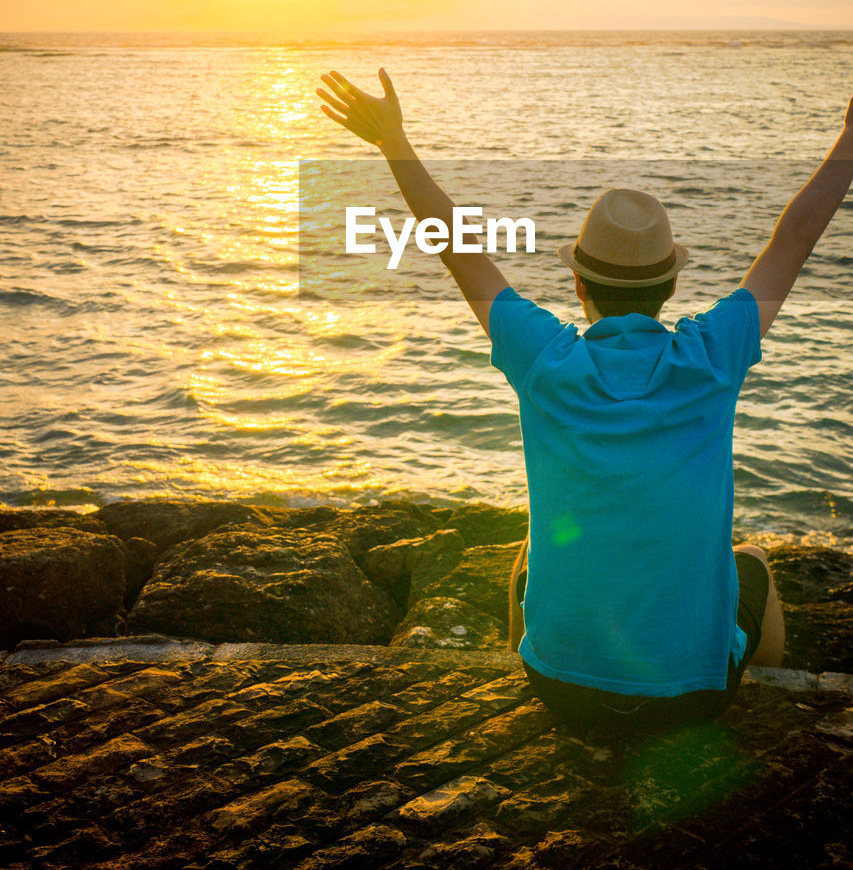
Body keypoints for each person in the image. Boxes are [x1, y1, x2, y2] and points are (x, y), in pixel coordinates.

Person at [318, 67, 853, 735]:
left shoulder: (542, 356)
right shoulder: (715, 353)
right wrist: (849, 136)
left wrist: (393, 141)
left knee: (529, 550)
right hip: (693, 700)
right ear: (669, 284)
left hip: (559, 692)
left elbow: (455, 244)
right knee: (754, 565)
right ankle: (753, 689)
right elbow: (794, 236)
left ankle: (545, 653)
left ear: (577, 285)